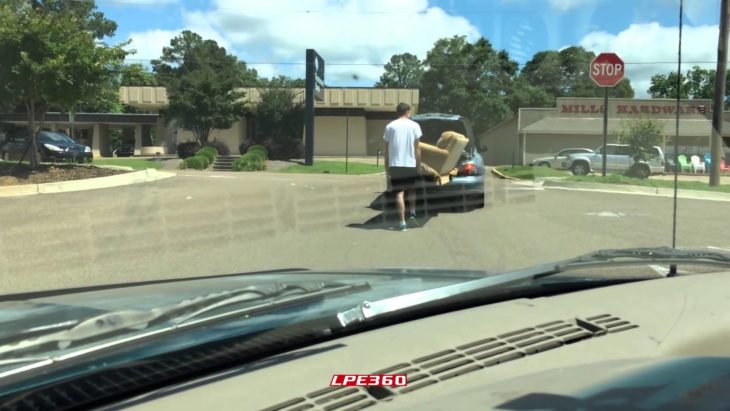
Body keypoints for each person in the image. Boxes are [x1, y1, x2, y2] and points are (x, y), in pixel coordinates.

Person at [383, 103, 422, 231]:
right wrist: (418, 165)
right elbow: (417, 149)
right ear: (407, 112)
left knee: (399, 193)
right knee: (412, 189)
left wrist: (386, 168)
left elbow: (386, 150)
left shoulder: (390, 126)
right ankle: (412, 214)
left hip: (395, 164)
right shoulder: (415, 126)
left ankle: (402, 223)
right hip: (410, 164)